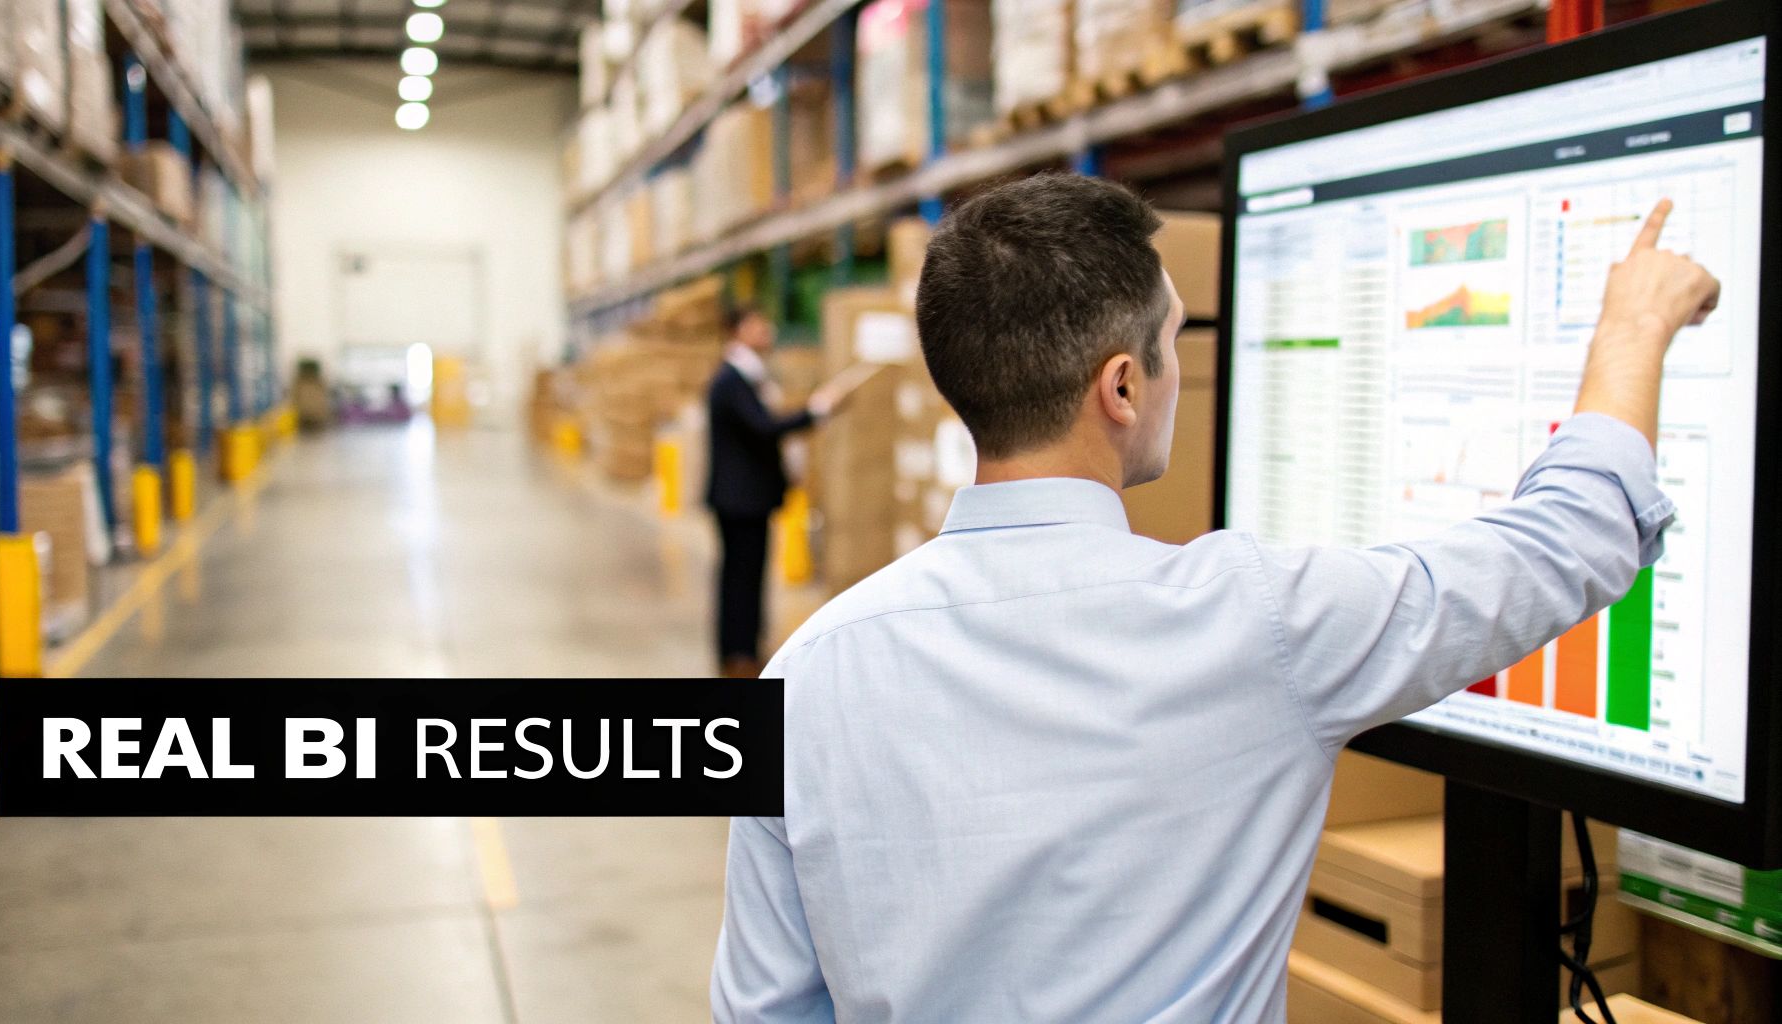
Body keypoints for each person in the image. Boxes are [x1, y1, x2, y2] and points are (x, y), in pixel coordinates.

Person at [710, 175, 1719, 1021]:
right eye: (1172, 341)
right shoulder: (1254, 624)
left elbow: (764, 1009)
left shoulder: (807, 670)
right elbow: (1566, 542)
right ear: (1121, 388)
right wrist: (1632, 324)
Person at [705, 307, 839, 678]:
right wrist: (814, 412)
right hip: (740, 500)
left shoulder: (746, 377)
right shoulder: (731, 380)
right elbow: (763, 427)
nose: (768, 331)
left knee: (745, 576)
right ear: (737, 330)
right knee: (741, 577)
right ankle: (738, 654)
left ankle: (743, 648)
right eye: (758, 326)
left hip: (745, 498)